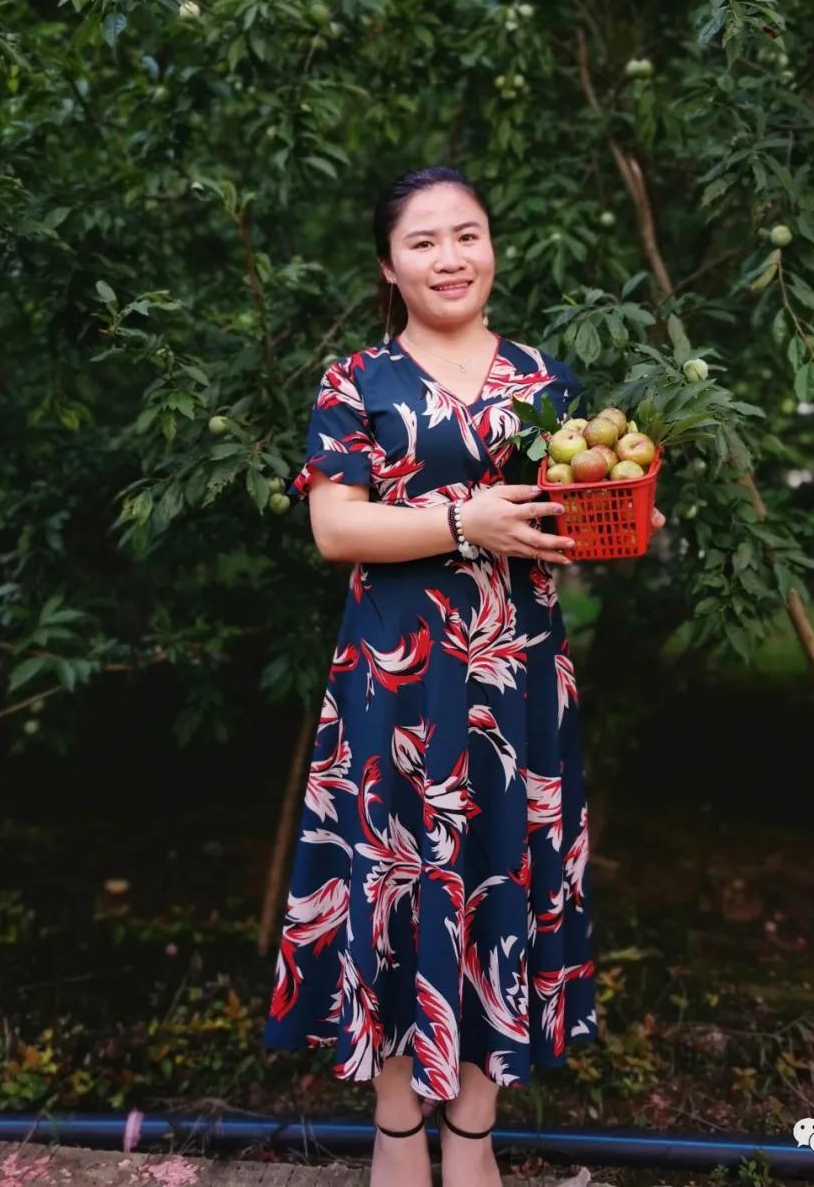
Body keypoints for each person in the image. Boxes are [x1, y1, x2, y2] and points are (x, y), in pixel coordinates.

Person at [263, 165, 665, 1187]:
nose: (451, 257)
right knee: (397, 888)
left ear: (493, 247)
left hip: (517, 689)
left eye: (468, 235)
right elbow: (334, 524)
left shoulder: (546, 382)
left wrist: (607, 528)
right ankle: (398, 1129)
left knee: (502, 884)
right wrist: (460, 519)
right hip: (395, 688)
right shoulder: (356, 382)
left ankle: (475, 1132)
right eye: (426, 241)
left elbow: (575, 517)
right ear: (390, 267)